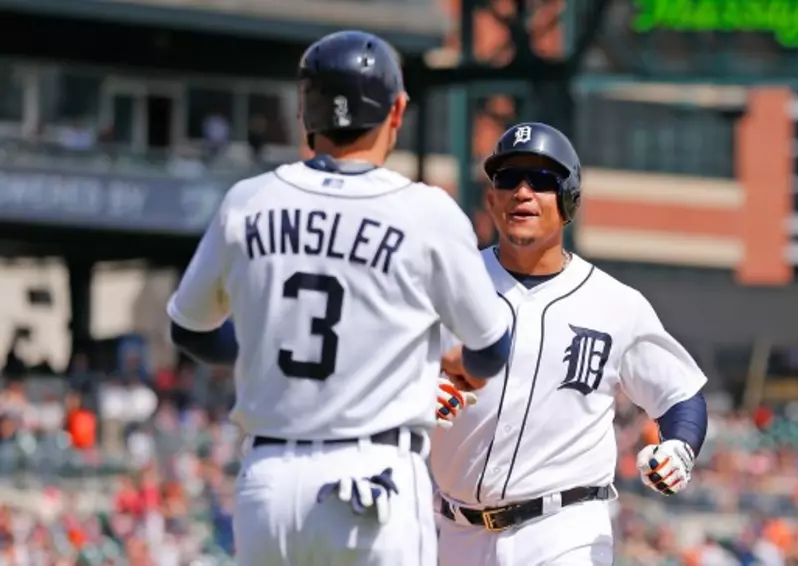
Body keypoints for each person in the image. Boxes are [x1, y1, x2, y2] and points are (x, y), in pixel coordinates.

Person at [165, 30, 512, 566]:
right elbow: (492, 349)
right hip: (373, 479)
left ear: (306, 109)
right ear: (397, 111)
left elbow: (189, 328)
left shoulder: (249, 200)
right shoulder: (425, 213)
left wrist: (260, 347)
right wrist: (453, 362)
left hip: (269, 486)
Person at [430, 122, 709, 566]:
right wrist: (417, 391)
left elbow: (680, 395)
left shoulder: (616, 303)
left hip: (563, 529)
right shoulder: (448, 284)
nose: (522, 192)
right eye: (508, 179)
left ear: (568, 201)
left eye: (541, 180)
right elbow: (384, 371)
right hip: (453, 532)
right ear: (491, 197)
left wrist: (679, 446)